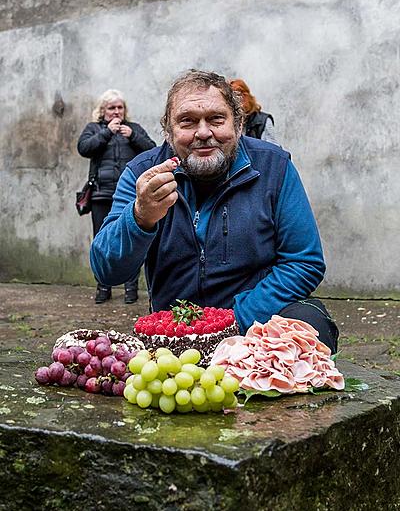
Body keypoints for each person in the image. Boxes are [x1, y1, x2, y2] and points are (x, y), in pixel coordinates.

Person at [90, 71, 338, 352]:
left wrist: (235, 321)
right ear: (169, 133)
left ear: (238, 124)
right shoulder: (143, 174)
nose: (204, 133)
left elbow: (304, 262)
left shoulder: (274, 168)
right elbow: (106, 270)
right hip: (177, 333)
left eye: (216, 119)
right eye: (187, 121)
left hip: (255, 329)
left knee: (310, 326)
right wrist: (140, 218)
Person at [77, 89, 156, 304]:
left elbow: (152, 150)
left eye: (120, 108)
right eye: (112, 108)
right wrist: (106, 133)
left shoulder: (134, 129)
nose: (117, 112)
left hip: (130, 194)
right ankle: (103, 289)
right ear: (103, 110)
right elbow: (83, 148)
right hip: (102, 193)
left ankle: (131, 290)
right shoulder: (94, 129)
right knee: (102, 240)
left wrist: (133, 136)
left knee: (132, 239)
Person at [230, 78, 279, 145]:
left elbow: (273, 148)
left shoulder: (263, 121)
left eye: (237, 96)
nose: (234, 103)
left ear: (245, 96)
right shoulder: (230, 120)